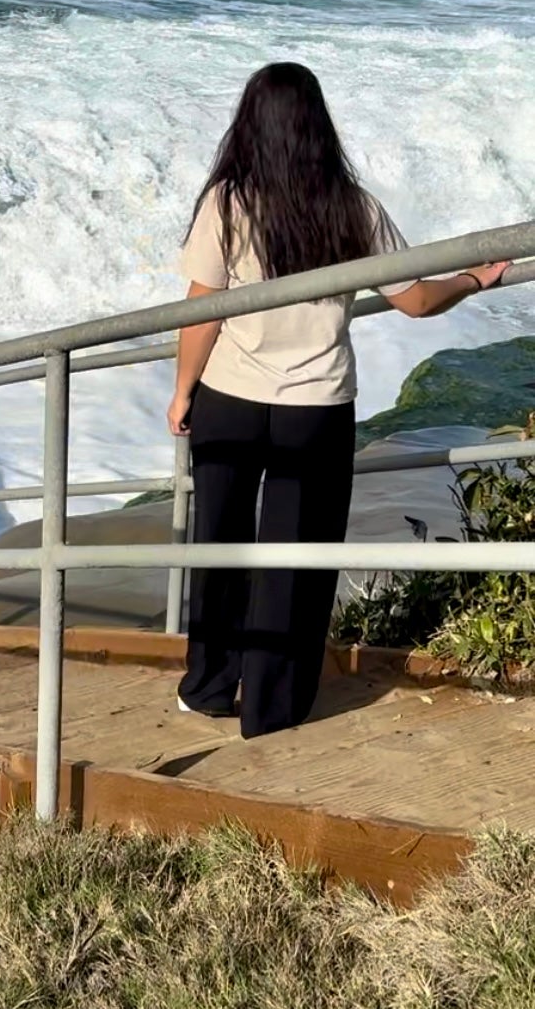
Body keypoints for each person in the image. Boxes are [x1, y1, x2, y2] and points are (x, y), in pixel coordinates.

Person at [167, 61, 509, 739]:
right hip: (315, 408)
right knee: (296, 556)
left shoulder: (227, 202)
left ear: (249, 125)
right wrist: (472, 278)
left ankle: (208, 686)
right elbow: (413, 298)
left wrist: (182, 391)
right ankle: (273, 707)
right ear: (317, 127)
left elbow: (201, 311)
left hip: (230, 398)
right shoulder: (353, 205)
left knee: (219, 546)